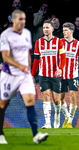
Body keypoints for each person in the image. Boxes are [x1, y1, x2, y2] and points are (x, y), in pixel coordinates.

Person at [0, 10, 48, 144]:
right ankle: (0, 134)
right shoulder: (5, 35)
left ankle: (36, 135)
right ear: (13, 21)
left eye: (24, 20)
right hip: (9, 74)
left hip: (23, 75)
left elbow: (27, 53)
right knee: (3, 103)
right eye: (20, 19)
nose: (23, 22)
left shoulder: (26, 33)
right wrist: (19, 66)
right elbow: (5, 57)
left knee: (30, 101)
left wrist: (28, 69)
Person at [31, 20, 66, 129]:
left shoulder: (59, 42)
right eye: (44, 27)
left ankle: (56, 118)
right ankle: (47, 123)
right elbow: (36, 60)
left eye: (47, 27)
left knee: (56, 99)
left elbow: (63, 57)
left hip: (55, 74)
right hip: (43, 74)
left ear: (52, 29)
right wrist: (32, 75)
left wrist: (60, 68)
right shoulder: (38, 42)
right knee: (46, 96)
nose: (45, 29)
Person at [61, 22, 79, 128]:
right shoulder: (59, 43)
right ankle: (67, 117)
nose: (63, 32)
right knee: (60, 99)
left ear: (71, 31)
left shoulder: (78, 44)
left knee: (73, 96)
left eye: (65, 30)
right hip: (61, 75)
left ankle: (70, 122)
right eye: (63, 30)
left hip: (73, 75)